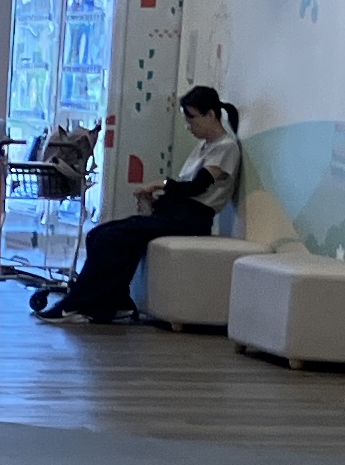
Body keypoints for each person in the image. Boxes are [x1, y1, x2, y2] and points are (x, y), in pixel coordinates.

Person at [38, 86, 242, 322]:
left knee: (110, 238)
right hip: (178, 213)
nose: (189, 126)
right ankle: (115, 303)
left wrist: (160, 184)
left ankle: (76, 304)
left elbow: (197, 187)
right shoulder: (204, 147)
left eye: (192, 118)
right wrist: (156, 201)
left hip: (193, 219)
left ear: (211, 115)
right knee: (97, 234)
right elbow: (186, 192)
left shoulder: (225, 148)